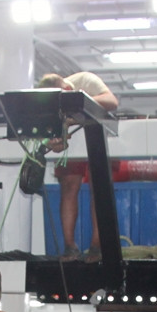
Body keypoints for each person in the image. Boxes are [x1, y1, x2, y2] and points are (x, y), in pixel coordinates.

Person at [36, 72, 119, 261]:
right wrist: (51, 141)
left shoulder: (85, 80)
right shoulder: (47, 103)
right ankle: (69, 248)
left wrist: (78, 104)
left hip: (98, 136)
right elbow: (46, 136)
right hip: (73, 144)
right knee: (68, 186)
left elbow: (111, 101)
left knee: (99, 187)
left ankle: (97, 247)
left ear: (67, 88)